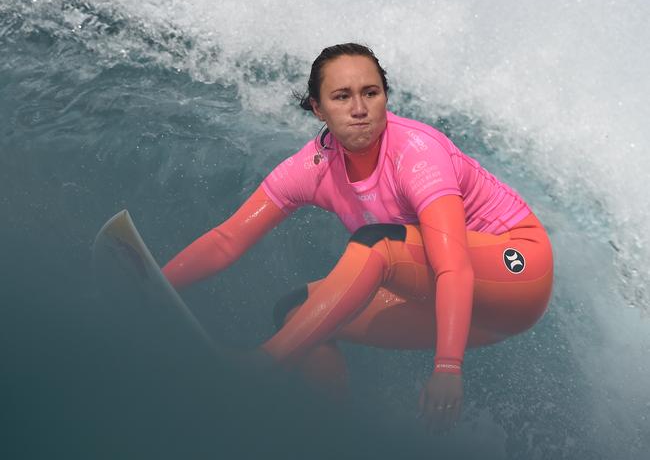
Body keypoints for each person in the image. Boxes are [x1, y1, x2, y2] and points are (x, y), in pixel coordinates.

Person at [162, 43, 553, 432]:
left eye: (371, 93)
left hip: (517, 274)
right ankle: (336, 432)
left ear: (385, 97)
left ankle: (262, 363)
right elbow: (227, 239)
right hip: (459, 305)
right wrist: (159, 284)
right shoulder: (313, 167)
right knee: (302, 317)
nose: (360, 108)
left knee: (376, 242)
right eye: (341, 96)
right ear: (318, 108)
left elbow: (453, 266)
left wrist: (448, 367)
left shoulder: (416, 152)